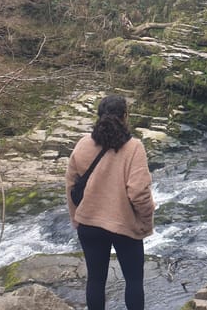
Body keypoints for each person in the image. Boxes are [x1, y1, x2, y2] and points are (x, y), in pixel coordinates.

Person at [65, 95, 156, 310]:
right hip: (123, 225)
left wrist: (75, 217)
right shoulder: (134, 148)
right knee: (133, 281)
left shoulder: (83, 144)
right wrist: (146, 221)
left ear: (98, 117)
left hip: (89, 223)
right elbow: (139, 193)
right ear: (125, 116)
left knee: (95, 281)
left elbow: (70, 185)